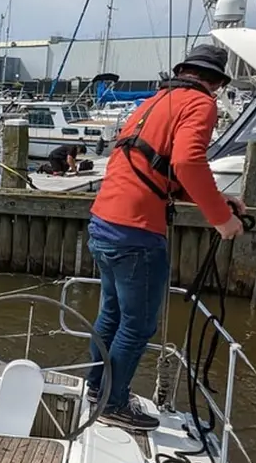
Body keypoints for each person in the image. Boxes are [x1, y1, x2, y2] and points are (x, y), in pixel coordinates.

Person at [85, 44, 246, 431]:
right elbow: (188, 161)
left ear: (183, 71)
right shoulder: (201, 103)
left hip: (103, 223)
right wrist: (222, 219)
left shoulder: (154, 102)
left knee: (111, 315)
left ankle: (96, 389)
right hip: (137, 233)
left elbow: (153, 165)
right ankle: (112, 404)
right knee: (138, 325)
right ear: (217, 83)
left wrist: (217, 200)